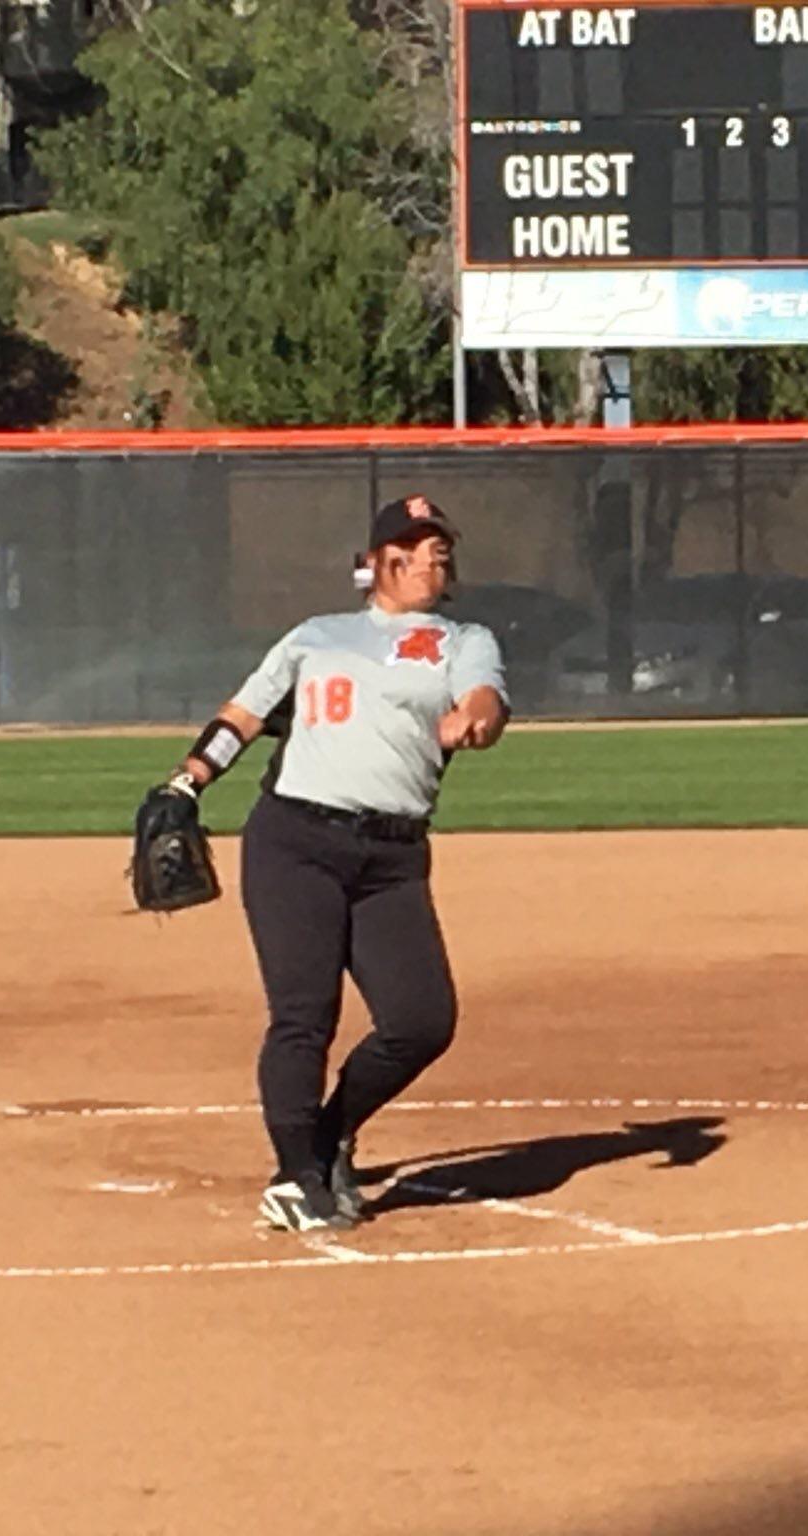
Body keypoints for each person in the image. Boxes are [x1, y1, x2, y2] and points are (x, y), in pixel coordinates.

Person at [167, 495, 509, 1232]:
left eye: (440, 549)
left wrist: (476, 716)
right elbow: (245, 716)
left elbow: (485, 696)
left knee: (421, 1020)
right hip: (295, 841)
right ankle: (296, 1177)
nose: (433, 559)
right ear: (382, 560)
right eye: (417, 548)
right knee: (303, 1016)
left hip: (392, 856)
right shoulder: (317, 636)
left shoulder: (462, 639)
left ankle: (329, 1135)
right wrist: (186, 781)